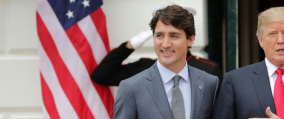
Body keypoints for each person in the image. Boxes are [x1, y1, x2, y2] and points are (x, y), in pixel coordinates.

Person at [90, 19, 222, 86]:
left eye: (174, 35)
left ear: (189, 39)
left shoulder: (208, 69)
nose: (166, 43)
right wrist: (129, 46)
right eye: (159, 35)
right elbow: (101, 75)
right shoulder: (144, 68)